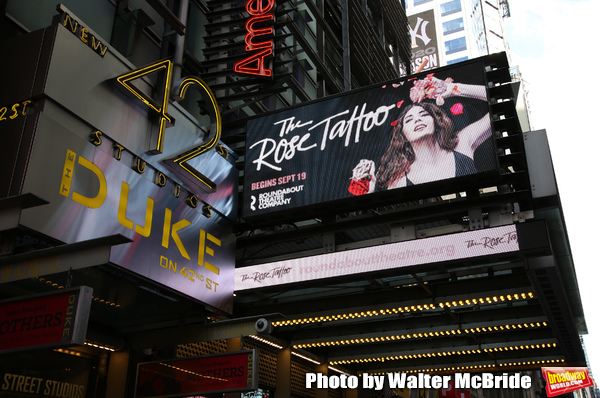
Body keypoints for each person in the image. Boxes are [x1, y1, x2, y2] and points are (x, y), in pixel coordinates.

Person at [348, 74, 492, 194]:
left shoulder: (461, 143)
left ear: (436, 121)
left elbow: (495, 99)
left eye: (423, 114)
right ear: (402, 134)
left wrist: (454, 88)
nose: (417, 119)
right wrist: (371, 192)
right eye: (409, 119)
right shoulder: (399, 181)